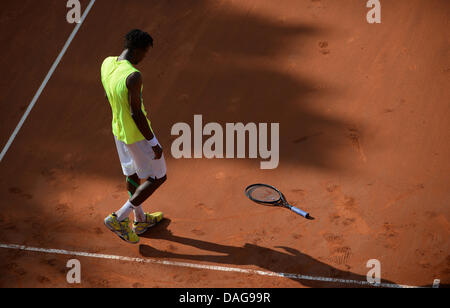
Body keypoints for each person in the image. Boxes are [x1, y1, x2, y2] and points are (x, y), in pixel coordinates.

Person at [100, 29, 167, 244]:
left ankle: (139, 220)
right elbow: (135, 113)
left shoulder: (107, 63)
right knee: (158, 177)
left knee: (131, 174)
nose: (144, 58)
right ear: (138, 50)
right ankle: (119, 217)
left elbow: (110, 96)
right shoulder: (133, 76)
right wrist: (153, 142)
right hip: (137, 135)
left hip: (118, 131)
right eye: (145, 53)